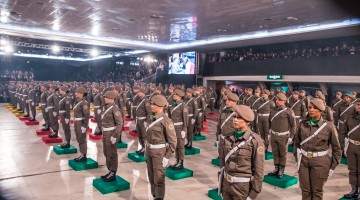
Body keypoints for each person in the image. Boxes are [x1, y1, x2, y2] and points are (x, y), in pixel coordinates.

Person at [293, 98, 342, 200]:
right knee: (305, 190)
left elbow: (337, 149)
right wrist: (298, 159)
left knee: (317, 192)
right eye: (310, 107)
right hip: (303, 161)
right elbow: (296, 144)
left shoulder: (329, 127)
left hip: (320, 162)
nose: (311, 110)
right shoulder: (302, 124)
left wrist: (332, 167)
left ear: (321, 110)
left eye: (315, 108)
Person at [220, 105, 265, 200]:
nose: (235, 120)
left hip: (241, 188)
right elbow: (223, 162)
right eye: (234, 116)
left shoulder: (255, 141)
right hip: (226, 185)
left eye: (239, 118)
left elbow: (259, 171)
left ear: (248, 122)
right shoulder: (228, 137)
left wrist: (253, 194)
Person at [146, 95, 177, 200]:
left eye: (153, 104)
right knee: (151, 177)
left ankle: (159, 198)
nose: (151, 105)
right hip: (149, 150)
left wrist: (167, 156)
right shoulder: (151, 117)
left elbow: (173, 142)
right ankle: (154, 196)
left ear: (160, 106)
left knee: (159, 179)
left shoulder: (166, 121)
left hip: (159, 153)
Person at [268, 93, 296, 178]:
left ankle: (281, 169)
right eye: (277, 99)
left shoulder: (288, 111)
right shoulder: (272, 110)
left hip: (283, 136)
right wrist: (269, 132)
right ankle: (276, 168)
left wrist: (291, 137)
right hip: (273, 135)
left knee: (283, 154)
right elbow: (270, 122)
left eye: (279, 100)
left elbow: (293, 125)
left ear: (284, 101)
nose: (277, 101)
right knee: (275, 152)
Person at [100, 91, 123, 182]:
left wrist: (115, 135)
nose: (104, 99)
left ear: (111, 99)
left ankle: (113, 172)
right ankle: (110, 170)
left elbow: (119, 124)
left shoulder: (115, 108)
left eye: (106, 97)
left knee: (112, 154)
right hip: (105, 133)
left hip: (111, 134)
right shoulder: (107, 107)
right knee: (106, 152)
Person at [341, 99, 360, 199]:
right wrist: (342, 145)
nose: (359, 106)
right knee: (352, 169)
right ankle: (354, 189)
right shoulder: (349, 117)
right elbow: (343, 131)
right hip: (351, 146)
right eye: (358, 104)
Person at [217, 93, 238, 168]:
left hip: (231, 142)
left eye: (229, 100)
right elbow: (219, 126)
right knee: (221, 162)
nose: (227, 102)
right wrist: (217, 137)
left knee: (230, 164)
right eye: (226, 100)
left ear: (235, 102)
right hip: (222, 140)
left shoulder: (237, 113)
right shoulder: (223, 111)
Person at [169, 89, 188, 170]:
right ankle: (177, 161)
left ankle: (181, 162)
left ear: (180, 96)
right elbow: (170, 117)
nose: (174, 95)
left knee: (180, 146)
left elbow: (185, 119)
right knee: (175, 145)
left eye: (175, 94)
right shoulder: (172, 105)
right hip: (173, 128)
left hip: (180, 128)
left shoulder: (183, 106)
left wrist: (184, 129)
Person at [73, 87, 90, 162]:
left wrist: (85, 126)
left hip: (81, 123)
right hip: (77, 122)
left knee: (82, 139)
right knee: (79, 138)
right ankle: (82, 153)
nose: (75, 93)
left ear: (81, 94)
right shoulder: (78, 101)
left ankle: (83, 155)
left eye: (77, 92)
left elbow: (86, 115)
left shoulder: (84, 103)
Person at [135, 88, 152, 155]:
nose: (138, 93)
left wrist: (147, 121)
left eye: (140, 92)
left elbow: (149, 113)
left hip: (143, 120)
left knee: (144, 135)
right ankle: (142, 147)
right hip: (138, 120)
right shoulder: (139, 100)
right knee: (140, 135)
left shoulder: (146, 101)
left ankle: (145, 149)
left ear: (143, 93)